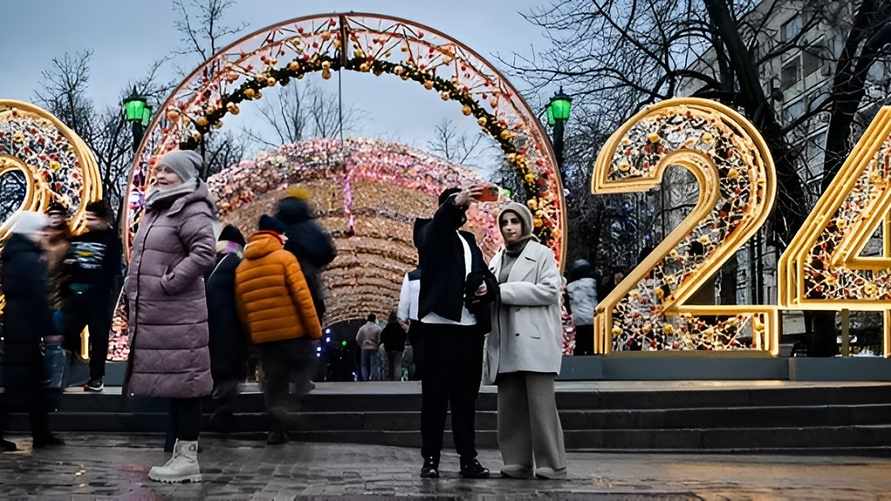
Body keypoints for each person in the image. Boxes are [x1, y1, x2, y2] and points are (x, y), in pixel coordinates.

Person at [124, 149, 216, 483]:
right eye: (158, 170)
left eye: (169, 171)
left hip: (180, 313)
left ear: (185, 176)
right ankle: (180, 454)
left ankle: (188, 458)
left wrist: (170, 281)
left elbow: (204, 252)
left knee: (186, 386)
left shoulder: (190, 207)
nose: (161, 176)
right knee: (178, 386)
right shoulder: (158, 208)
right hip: (162, 313)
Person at [414, 186, 495, 479]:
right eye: (457, 206)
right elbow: (437, 230)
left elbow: (486, 274)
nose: (462, 212)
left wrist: (487, 287)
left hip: (468, 330)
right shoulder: (428, 233)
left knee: (465, 400)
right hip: (438, 329)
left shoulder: (469, 241)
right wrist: (452, 204)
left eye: (464, 207)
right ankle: (431, 459)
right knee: (434, 398)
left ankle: (467, 458)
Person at [485, 202, 567, 479]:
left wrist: (501, 291)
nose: (509, 227)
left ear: (525, 225)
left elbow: (548, 291)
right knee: (510, 408)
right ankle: (516, 462)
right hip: (504, 339)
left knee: (541, 408)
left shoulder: (541, 254)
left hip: (534, 339)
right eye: (505, 222)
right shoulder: (496, 259)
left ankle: (551, 463)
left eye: (515, 222)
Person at [235, 215, 322, 445]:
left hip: (264, 336)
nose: (285, 238)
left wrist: (252, 336)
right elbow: (303, 298)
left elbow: (242, 308)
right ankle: (288, 410)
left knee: (273, 380)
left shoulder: (243, 266)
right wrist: (314, 330)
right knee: (301, 368)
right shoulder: (285, 259)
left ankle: (276, 427)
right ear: (275, 235)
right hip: (291, 332)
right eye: (283, 234)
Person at [1, 211, 64, 451]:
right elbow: (36, 297)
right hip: (25, 328)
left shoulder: (17, 254)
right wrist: (49, 328)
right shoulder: (27, 259)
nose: (45, 235)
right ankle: (41, 433)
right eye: (41, 230)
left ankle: (42, 433)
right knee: (19, 385)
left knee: (31, 385)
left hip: (20, 325)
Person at [62, 200, 123, 392]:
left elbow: (112, 270)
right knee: (66, 335)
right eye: (87, 217)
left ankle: (96, 377)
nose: (88, 222)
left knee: (98, 339)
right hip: (76, 297)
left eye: (93, 218)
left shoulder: (112, 241)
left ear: (103, 219)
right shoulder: (79, 240)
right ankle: (63, 374)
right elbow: (69, 266)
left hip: (99, 298)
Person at [206, 224, 248, 433]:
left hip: (205, 325)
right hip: (229, 327)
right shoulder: (237, 263)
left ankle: (212, 411)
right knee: (229, 373)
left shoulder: (208, 261)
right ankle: (222, 415)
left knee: (215, 369)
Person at [274, 189, 336, 320]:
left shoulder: (274, 228)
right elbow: (328, 252)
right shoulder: (310, 227)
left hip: (277, 292)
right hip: (305, 286)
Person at [566, 259, 598, 356]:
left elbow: (567, 305)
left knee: (579, 343)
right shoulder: (593, 283)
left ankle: (578, 362)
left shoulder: (570, 286)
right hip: (592, 318)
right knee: (592, 344)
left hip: (578, 320)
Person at [397, 268, 422, 379]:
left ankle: (418, 375)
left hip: (416, 320)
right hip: (436, 321)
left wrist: (403, 316)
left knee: (418, 352)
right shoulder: (442, 272)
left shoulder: (411, 276)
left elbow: (404, 301)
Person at [381, 311, 407, 381]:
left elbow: (382, 337)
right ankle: (397, 379)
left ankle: (388, 378)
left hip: (388, 348)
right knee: (397, 364)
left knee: (388, 364)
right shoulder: (400, 328)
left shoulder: (386, 328)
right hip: (399, 349)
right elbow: (404, 337)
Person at [355, 314, 382, 381]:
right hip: (374, 348)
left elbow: (357, 338)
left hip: (364, 348)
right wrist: (377, 345)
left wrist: (361, 345)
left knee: (364, 365)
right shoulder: (378, 328)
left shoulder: (362, 328)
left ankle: (365, 378)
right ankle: (373, 378)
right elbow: (380, 339)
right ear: (374, 319)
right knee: (374, 364)